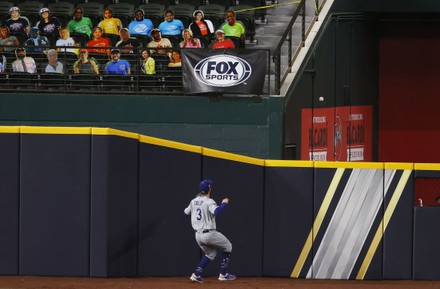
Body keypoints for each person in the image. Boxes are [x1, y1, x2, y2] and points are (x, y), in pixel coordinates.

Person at [184, 179, 237, 284]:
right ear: (209, 189)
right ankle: (223, 275)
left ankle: (196, 275)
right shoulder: (209, 201)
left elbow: (185, 213)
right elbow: (217, 212)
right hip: (209, 233)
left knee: (211, 254)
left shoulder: (193, 201)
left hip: (198, 235)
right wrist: (224, 203)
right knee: (228, 247)